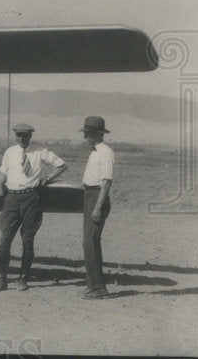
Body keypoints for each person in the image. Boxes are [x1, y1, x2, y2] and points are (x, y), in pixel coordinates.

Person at [0, 123, 67, 292]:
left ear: (30, 135)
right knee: (5, 239)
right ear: (15, 136)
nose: (22, 138)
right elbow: (3, 172)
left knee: (27, 239)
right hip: (12, 198)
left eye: (25, 135)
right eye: (19, 135)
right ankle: (2, 278)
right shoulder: (10, 152)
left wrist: (47, 178)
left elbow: (61, 165)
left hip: (31, 198)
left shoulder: (40, 151)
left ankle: (23, 278)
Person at [80, 116, 114, 300]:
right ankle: (92, 286)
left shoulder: (105, 152)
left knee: (91, 242)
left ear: (96, 134)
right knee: (88, 243)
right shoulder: (95, 152)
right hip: (89, 196)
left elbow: (106, 182)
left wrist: (97, 207)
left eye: (88, 133)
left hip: (97, 198)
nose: (85, 136)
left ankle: (99, 288)